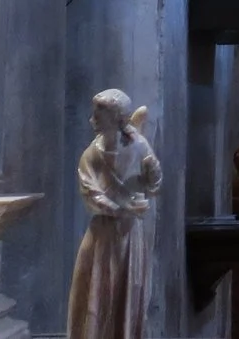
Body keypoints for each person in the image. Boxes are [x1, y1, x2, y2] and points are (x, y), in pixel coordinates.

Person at [69, 90, 163, 339]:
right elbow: (91, 193)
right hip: (103, 233)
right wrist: (119, 209)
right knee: (96, 294)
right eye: (95, 112)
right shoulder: (92, 154)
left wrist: (152, 170)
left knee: (127, 292)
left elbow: (152, 185)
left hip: (129, 235)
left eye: (100, 113)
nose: (94, 118)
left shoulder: (138, 146)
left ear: (117, 117)